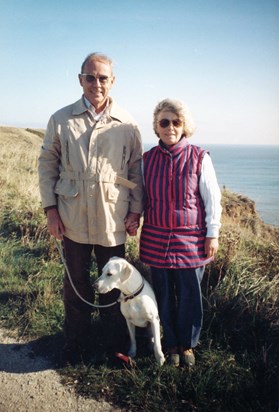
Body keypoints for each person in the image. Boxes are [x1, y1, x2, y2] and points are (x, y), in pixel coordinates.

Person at [38, 52, 143, 366]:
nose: (97, 83)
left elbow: (136, 170)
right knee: (76, 285)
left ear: (113, 81)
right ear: (80, 79)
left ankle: (116, 347)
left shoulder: (127, 122)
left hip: (113, 218)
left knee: (115, 288)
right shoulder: (61, 119)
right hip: (72, 217)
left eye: (103, 78)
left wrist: (135, 211)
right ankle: (76, 345)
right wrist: (51, 211)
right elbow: (47, 165)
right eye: (90, 77)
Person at [139, 98, 222, 367]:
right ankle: (170, 342)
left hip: (192, 239)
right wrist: (132, 218)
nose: (170, 127)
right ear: (157, 126)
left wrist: (213, 233)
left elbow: (212, 198)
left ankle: (187, 345)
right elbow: (141, 197)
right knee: (162, 292)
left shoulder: (199, 157)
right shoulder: (147, 159)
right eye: (164, 122)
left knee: (189, 294)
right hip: (156, 236)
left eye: (176, 122)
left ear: (184, 126)